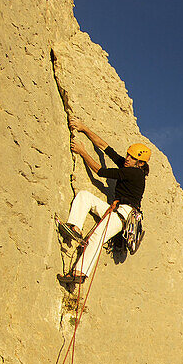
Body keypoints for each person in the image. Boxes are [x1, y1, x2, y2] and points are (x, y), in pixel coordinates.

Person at [58, 116, 151, 288]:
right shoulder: (129, 166)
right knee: (85, 196)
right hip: (115, 210)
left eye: (131, 158)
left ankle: (80, 273)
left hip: (123, 215)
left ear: (140, 163)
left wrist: (83, 152)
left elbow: (100, 171)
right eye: (128, 155)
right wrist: (84, 128)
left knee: (96, 238)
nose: (127, 158)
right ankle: (74, 228)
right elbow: (105, 147)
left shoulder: (134, 174)